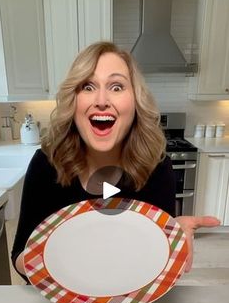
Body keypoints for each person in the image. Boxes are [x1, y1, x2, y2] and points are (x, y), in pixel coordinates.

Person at [12, 41, 220, 283]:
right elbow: (19, 257)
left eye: (117, 87)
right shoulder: (47, 165)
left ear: (135, 102)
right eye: (88, 86)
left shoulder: (156, 169)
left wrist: (169, 241)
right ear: (73, 101)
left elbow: (152, 268)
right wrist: (56, 257)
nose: (101, 100)